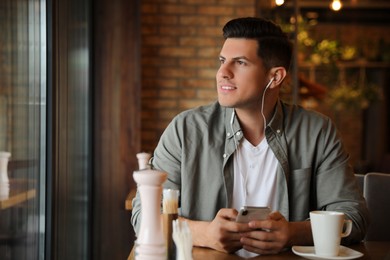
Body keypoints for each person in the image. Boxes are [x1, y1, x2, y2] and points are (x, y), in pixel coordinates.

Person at [131, 17, 369, 257]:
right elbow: (143, 215)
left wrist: (293, 232)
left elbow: (354, 217)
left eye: (240, 63)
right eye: (222, 61)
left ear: (275, 77)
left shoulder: (317, 131)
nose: (223, 73)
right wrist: (204, 233)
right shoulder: (185, 130)